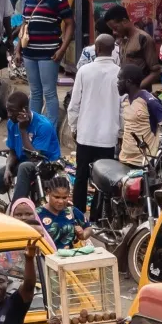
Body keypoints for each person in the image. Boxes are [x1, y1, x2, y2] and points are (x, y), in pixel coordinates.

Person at [66, 33, 122, 212]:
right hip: (108, 136)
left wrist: (74, 126)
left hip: (86, 134)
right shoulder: (120, 73)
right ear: (113, 50)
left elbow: (74, 104)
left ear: (96, 49)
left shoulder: (84, 71)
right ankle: (98, 216)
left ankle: (78, 213)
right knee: (104, 178)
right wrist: (120, 133)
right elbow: (122, 108)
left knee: (81, 176)